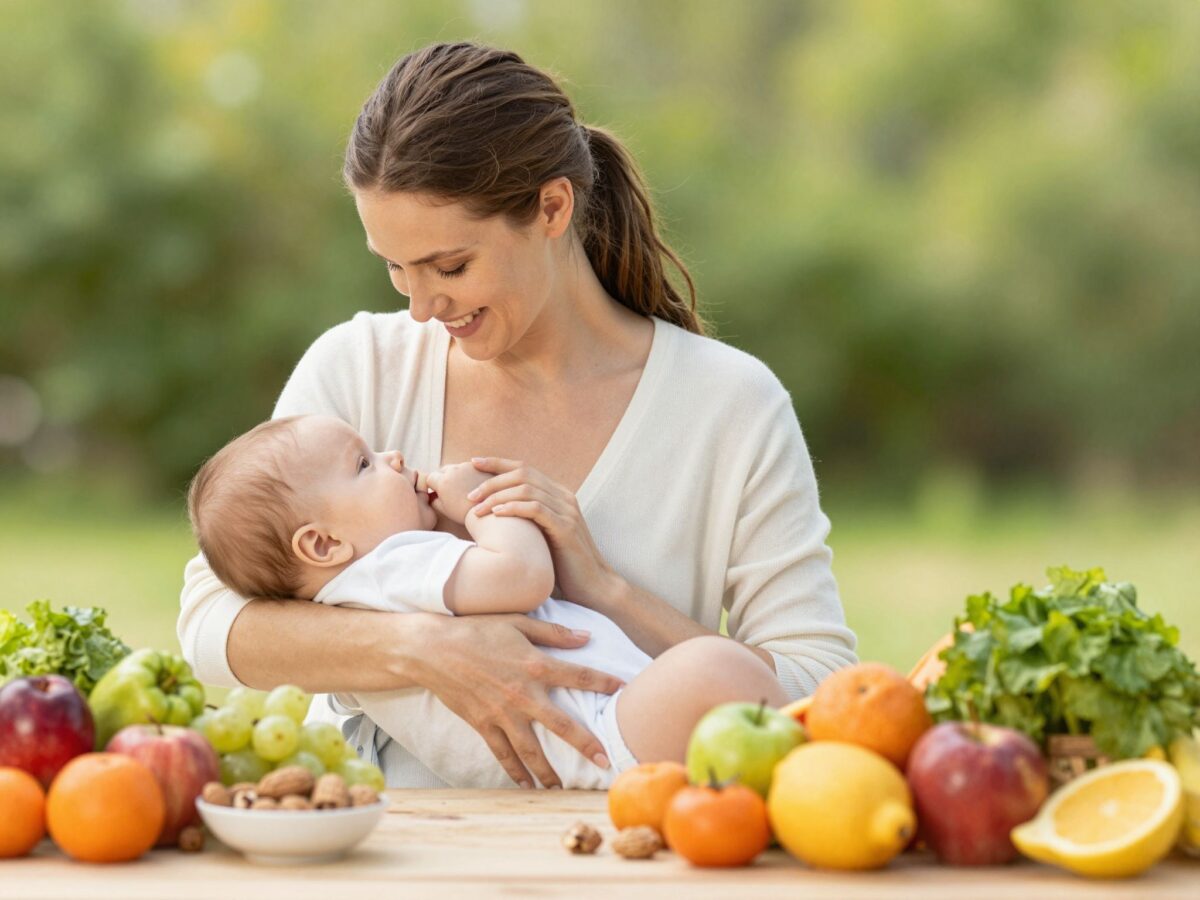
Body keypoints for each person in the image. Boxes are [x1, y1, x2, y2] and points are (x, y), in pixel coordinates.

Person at [178, 41, 857, 789]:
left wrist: (607, 591)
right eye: (395, 267)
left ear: (552, 207)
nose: (422, 307)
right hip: (383, 836)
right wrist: (424, 649)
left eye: (450, 266)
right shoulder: (361, 364)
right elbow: (212, 622)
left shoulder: (729, 406)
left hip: (615, 831)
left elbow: (820, 686)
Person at [186, 413, 788, 788]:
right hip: (603, 735)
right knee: (719, 668)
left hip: (602, 738)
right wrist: (484, 505)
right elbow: (522, 577)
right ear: (323, 544)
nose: (394, 457)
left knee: (729, 690)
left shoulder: (362, 594)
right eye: (365, 464)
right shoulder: (391, 568)